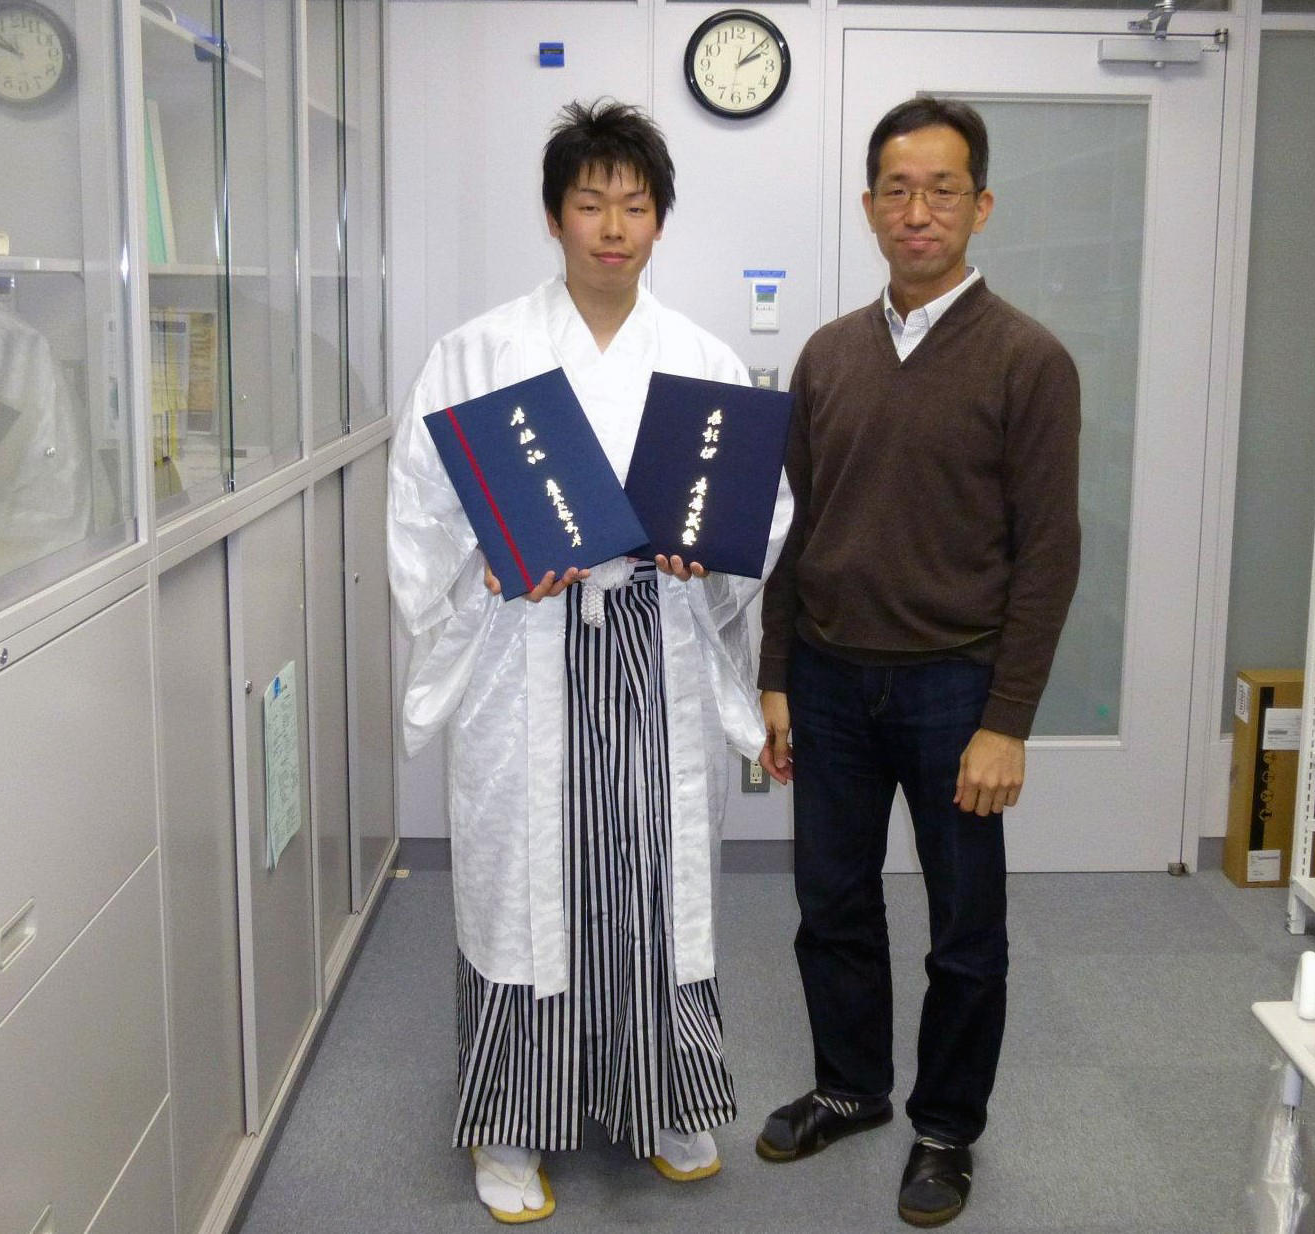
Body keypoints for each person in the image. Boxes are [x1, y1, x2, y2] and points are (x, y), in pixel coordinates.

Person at [388, 99, 791, 1224]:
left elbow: (758, 512)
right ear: (555, 215)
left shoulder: (702, 359)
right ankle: (512, 1124)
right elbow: (420, 512)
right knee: (529, 886)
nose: (613, 227)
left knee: (654, 877)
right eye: (590, 203)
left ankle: (662, 1099)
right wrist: (494, 564)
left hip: (657, 644)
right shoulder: (476, 354)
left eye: (635, 206)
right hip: (524, 648)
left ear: (659, 221)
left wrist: (706, 553)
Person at [753, 97, 1081, 1228]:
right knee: (830, 903)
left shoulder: (1028, 360)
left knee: (965, 929)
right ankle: (850, 1086)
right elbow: (793, 528)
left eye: (942, 189)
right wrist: (775, 674)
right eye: (896, 189)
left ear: (980, 206)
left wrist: (1008, 720)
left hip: (955, 687)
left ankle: (945, 1129)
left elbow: (1049, 554)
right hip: (830, 680)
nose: (918, 210)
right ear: (868, 207)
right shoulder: (826, 354)